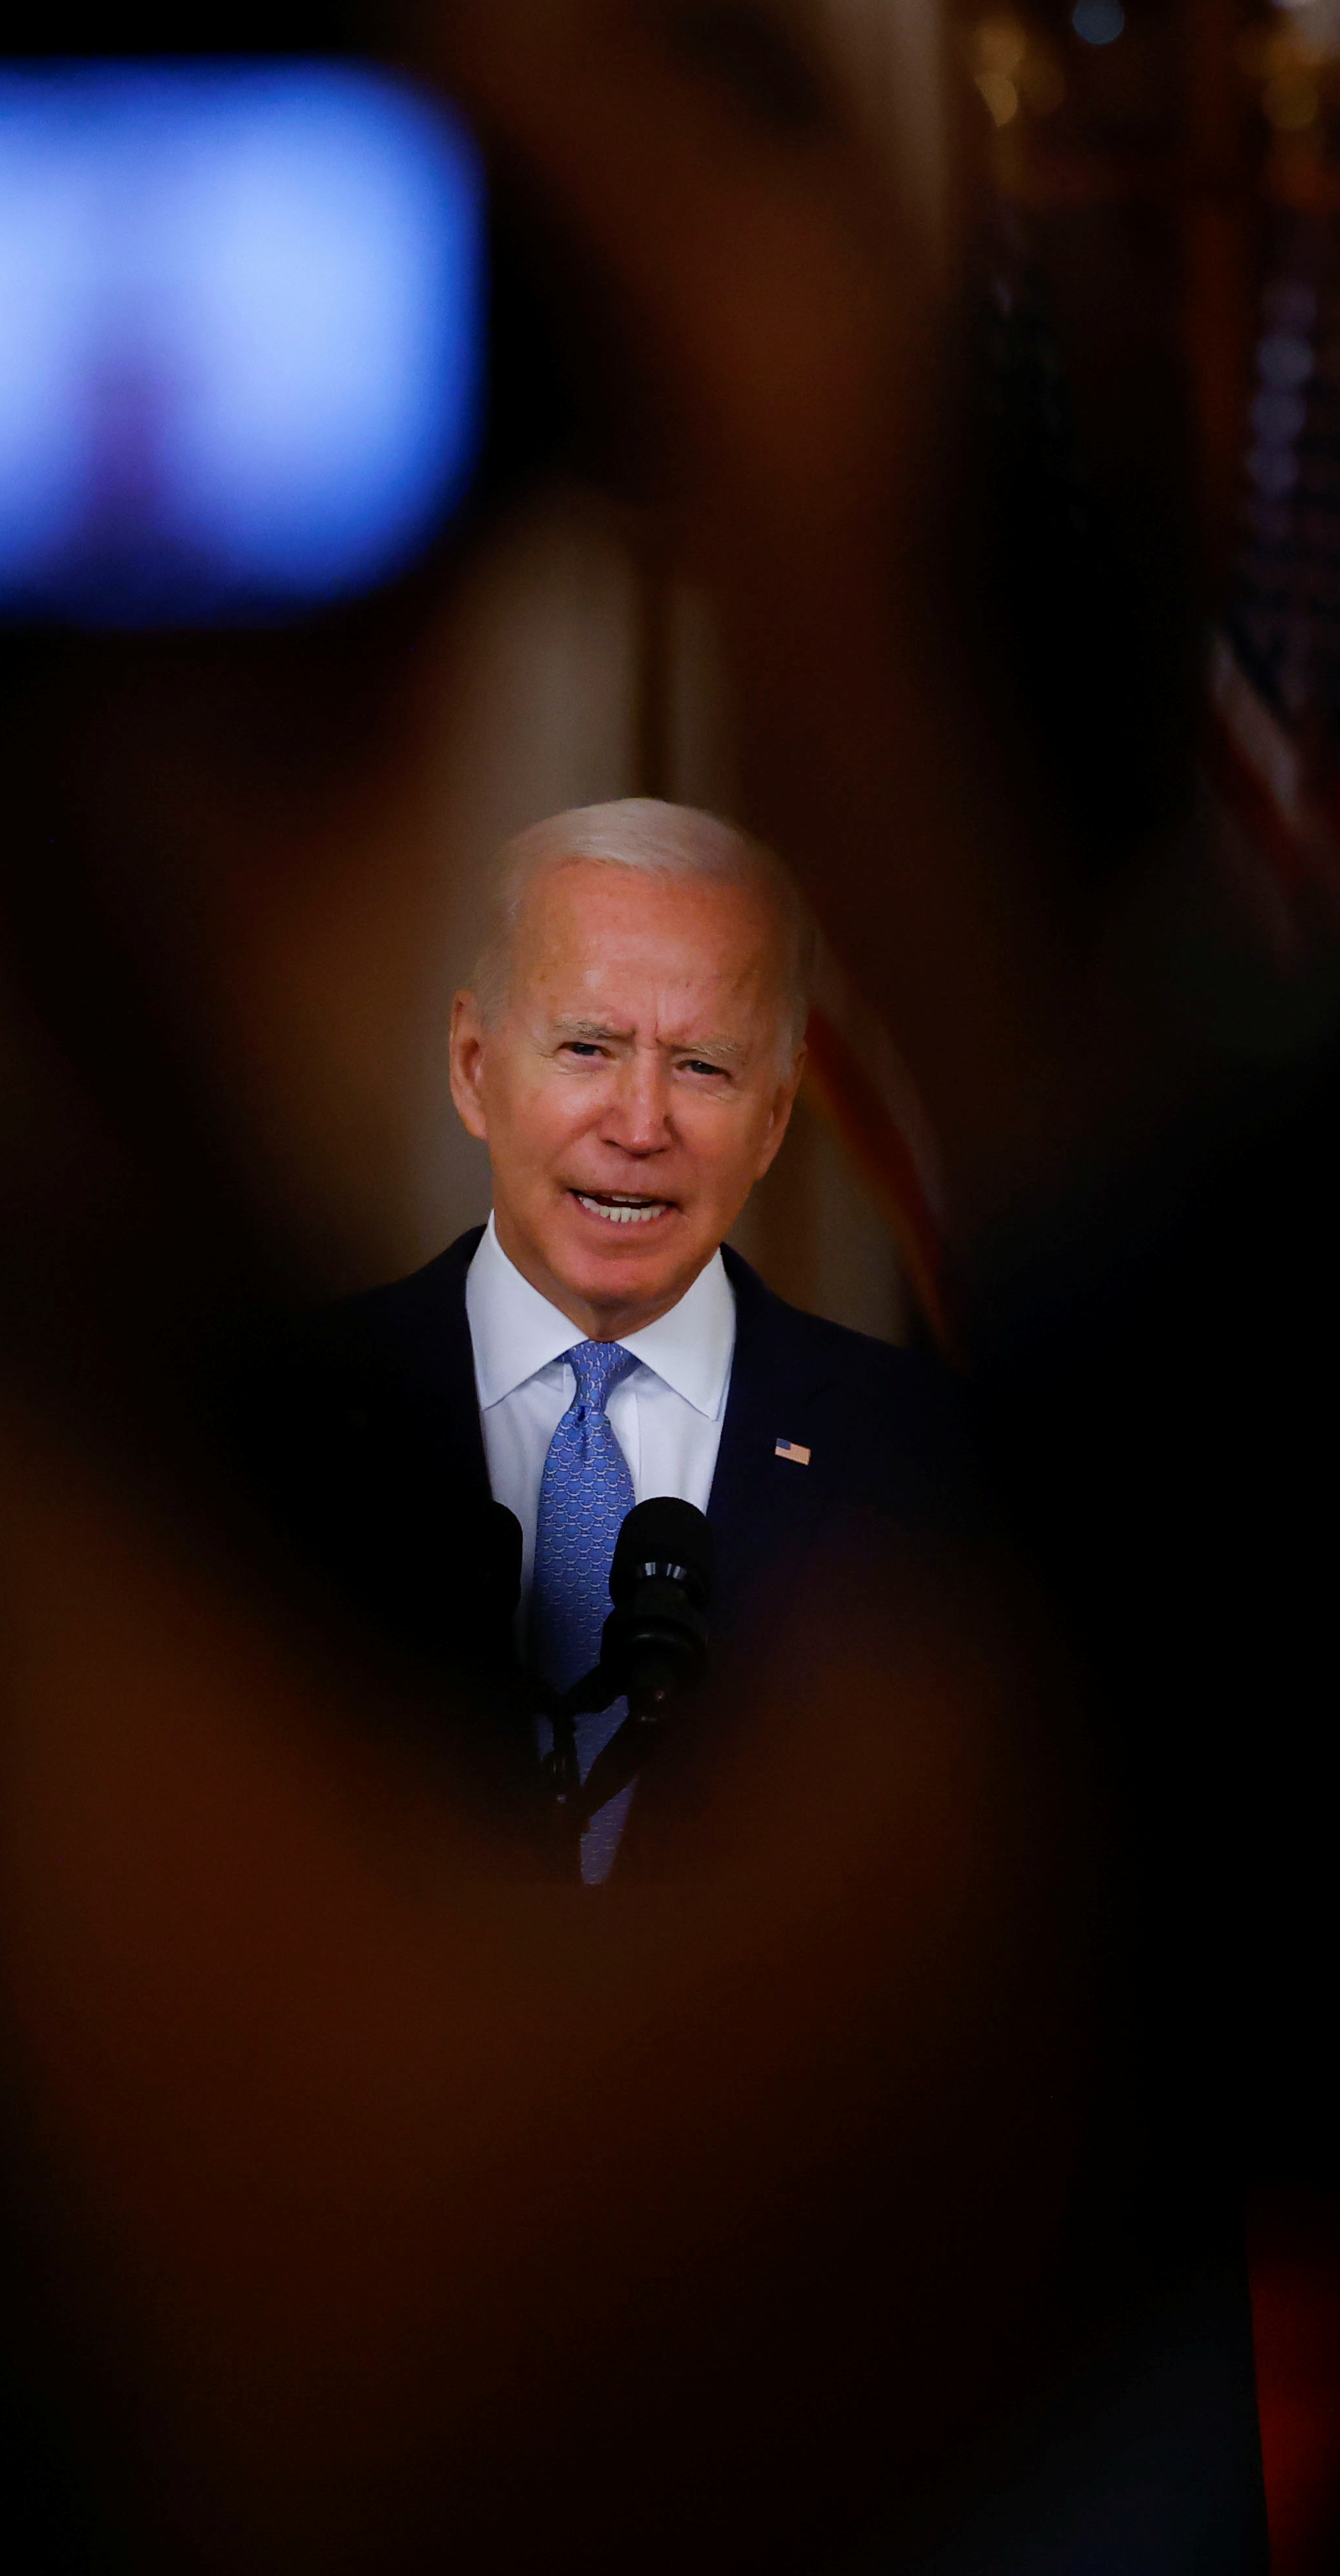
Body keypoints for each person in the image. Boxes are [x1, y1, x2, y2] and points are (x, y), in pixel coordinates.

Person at [313, 799, 970, 1885]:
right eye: (587, 1048)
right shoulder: (277, 1425)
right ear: (475, 1067)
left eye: (704, 1066)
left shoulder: (928, 1462)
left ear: (773, 1115)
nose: (639, 1123)